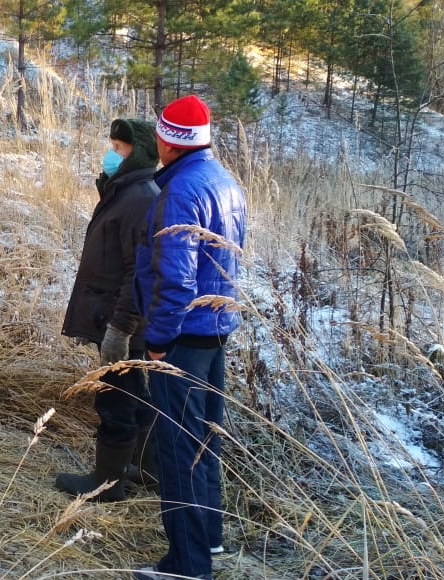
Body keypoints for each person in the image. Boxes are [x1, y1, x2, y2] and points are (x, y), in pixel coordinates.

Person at [132, 95, 247, 580]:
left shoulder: (180, 192)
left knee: (180, 451)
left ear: (167, 141)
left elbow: (177, 280)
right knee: (204, 441)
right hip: (215, 330)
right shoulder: (223, 180)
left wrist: (158, 340)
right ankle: (210, 538)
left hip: (182, 337)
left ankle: (186, 565)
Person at [57, 118, 161, 502]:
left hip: (123, 321)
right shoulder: (124, 192)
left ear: (141, 153)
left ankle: (108, 482)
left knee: (116, 397)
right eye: (112, 146)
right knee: (134, 394)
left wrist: (120, 327)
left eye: (120, 149)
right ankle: (147, 470)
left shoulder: (140, 198)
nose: (112, 155)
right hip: (118, 316)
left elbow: (140, 270)